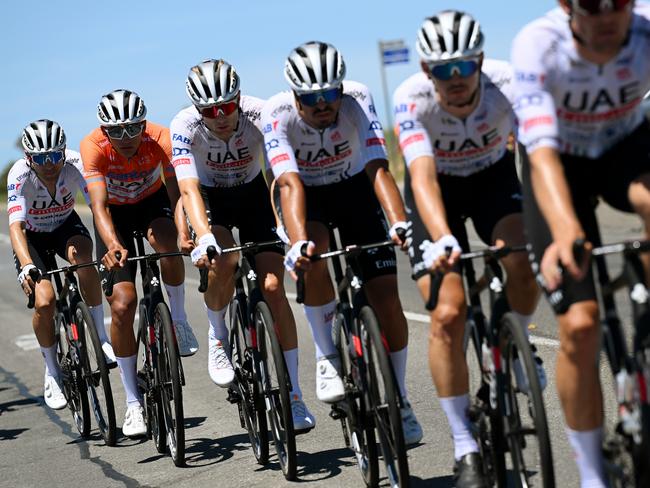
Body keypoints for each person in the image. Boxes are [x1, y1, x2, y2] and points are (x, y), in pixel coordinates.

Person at [393, 10, 545, 486]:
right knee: (447, 313)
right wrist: (440, 239)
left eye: (463, 67)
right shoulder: (411, 99)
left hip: (492, 179)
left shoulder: (507, 82)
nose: (455, 80)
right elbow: (420, 177)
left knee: (522, 259)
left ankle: (516, 343)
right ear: (426, 71)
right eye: (443, 70)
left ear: (480, 60)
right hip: (434, 191)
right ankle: (465, 446)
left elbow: (538, 153)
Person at [512, 1, 650, 486]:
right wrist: (567, 230)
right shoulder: (538, 46)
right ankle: (592, 473)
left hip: (624, 148)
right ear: (568, 8)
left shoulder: (645, 30)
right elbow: (543, 155)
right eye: (593, 4)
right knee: (580, 324)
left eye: (621, 2)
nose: (608, 14)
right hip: (559, 163)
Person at [261, 40, 422, 444]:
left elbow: (378, 169)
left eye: (329, 94)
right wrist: (297, 244)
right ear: (296, 96)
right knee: (312, 258)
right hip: (306, 197)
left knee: (386, 297)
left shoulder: (357, 99)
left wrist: (400, 222)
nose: (322, 105)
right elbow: (289, 182)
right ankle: (327, 356)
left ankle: (400, 398)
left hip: (355, 191)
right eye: (311, 98)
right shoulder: (276, 115)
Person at [170, 59, 314, 431]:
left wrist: (284, 226)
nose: (219, 116)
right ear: (198, 109)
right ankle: (218, 334)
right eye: (209, 110)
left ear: (238, 98)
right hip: (210, 199)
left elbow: (280, 175)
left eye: (226, 106)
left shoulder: (260, 113)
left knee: (272, 288)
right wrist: (203, 238)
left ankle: (294, 395)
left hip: (253, 195)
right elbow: (187, 190)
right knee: (226, 260)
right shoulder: (185, 126)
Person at [81, 89, 197, 437]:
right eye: (116, 131)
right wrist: (113, 243)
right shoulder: (93, 147)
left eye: (133, 128)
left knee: (166, 243)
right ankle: (133, 403)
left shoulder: (160, 137)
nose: (126, 138)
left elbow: (176, 192)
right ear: (104, 131)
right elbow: (98, 207)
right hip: (113, 214)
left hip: (152, 203)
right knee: (123, 304)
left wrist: (184, 232)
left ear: (144, 125)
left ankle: (177, 319)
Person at [8, 119, 112, 410]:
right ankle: (52, 370)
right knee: (45, 301)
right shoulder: (19, 175)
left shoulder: (75, 163)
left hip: (66, 227)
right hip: (33, 239)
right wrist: (27, 265)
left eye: (55, 155)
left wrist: (110, 242)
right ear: (29, 158)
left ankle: (101, 338)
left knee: (83, 260)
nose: (50, 163)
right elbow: (15, 227)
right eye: (41, 158)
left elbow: (97, 206)